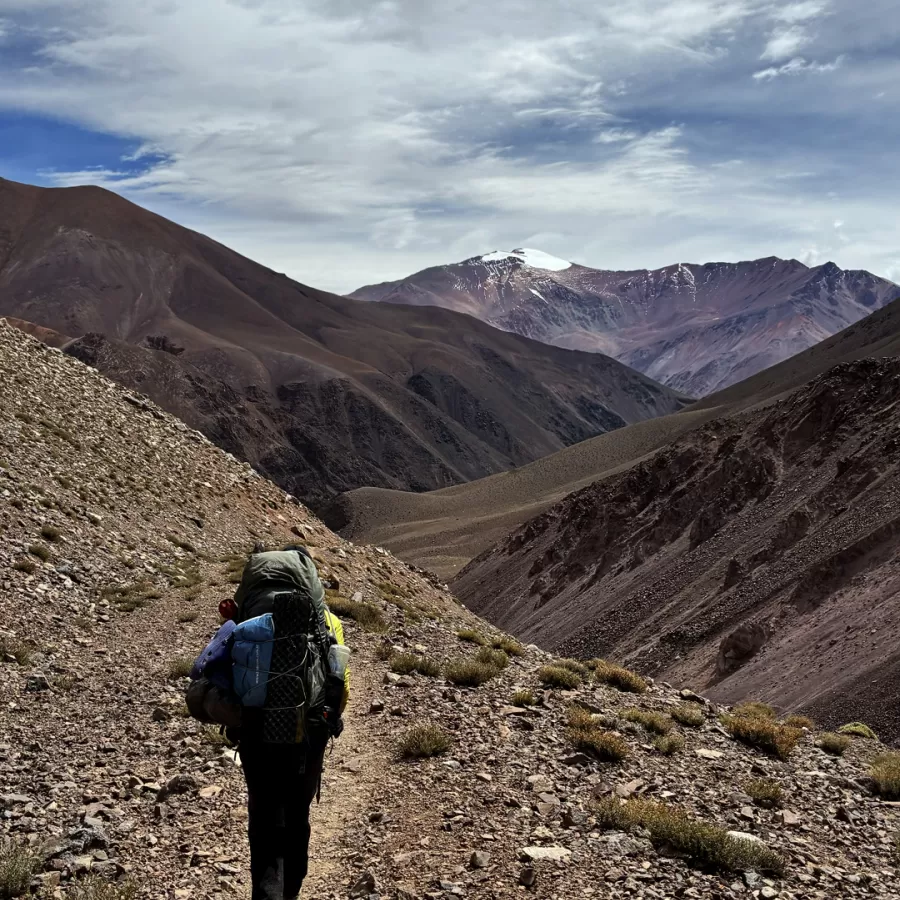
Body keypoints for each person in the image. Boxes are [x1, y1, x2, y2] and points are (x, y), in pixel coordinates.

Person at [229, 544, 350, 900]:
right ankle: (291, 892)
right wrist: (332, 717)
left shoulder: (244, 620)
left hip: (254, 730)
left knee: (264, 819)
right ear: (311, 582)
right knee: (297, 816)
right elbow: (339, 687)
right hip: (308, 732)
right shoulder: (327, 622)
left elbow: (223, 671)